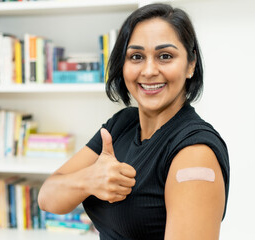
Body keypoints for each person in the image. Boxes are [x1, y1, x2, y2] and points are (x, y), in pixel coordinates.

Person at [38, 3, 230, 240]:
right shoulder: (121, 125)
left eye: (165, 56)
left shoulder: (195, 153)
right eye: (136, 56)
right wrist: (89, 180)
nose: (149, 71)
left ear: (190, 64)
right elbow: (47, 197)